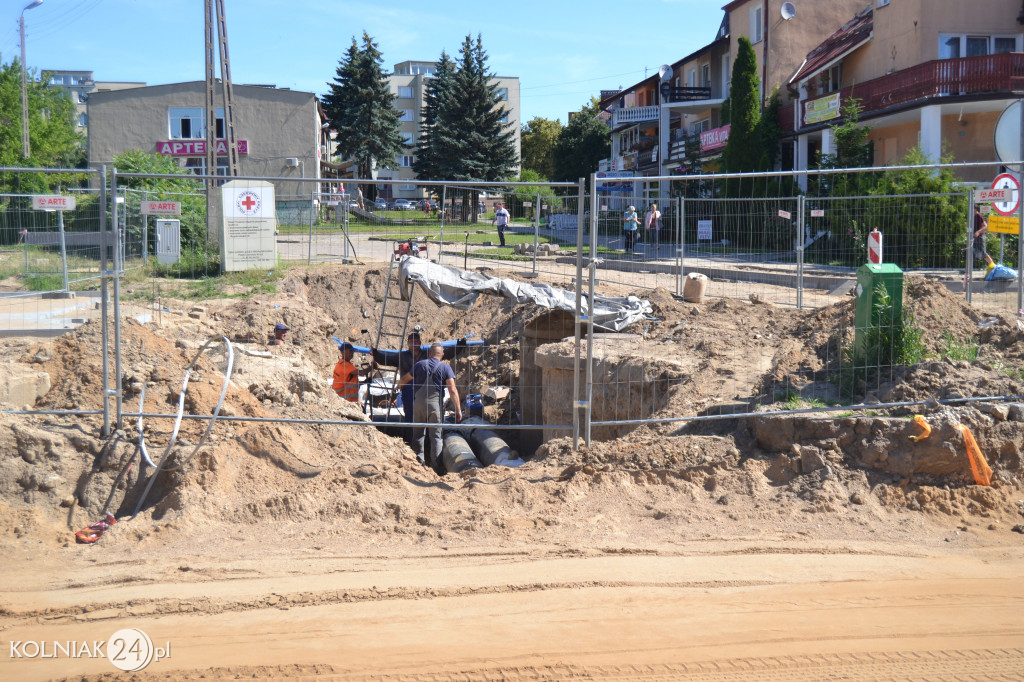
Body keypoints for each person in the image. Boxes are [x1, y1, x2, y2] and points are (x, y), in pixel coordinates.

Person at [372, 331, 459, 430]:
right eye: (411, 341)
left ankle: (428, 438)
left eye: (416, 341)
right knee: (410, 415)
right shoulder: (402, 356)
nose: (414, 343)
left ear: (420, 342)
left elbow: (444, 354)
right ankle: (410, 436)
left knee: (430, 415)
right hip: (408, 390)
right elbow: (386, 359)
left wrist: (459, 347)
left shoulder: (427, 355)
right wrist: (376, 354)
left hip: (425, 390)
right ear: (408, 343)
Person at [397, 342, 462, 467]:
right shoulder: (445, 367)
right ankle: (436, 466)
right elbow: (452, 390)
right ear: (442, 354)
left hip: (418, 406)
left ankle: (418, 462)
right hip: (435, 407)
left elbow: (406, 378)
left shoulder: (419, 365)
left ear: (430, 353)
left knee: (418, 435)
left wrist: (399, 386)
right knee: (436, 437)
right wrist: (458, 410)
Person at [972, 208, 996, 272]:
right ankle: (968, 269)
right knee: (970, 252)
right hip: (974, 237)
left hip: (980, 237)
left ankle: (994, 267)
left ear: (975, 209)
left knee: (983, 253)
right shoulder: (972, 216)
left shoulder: (978, 216)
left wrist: (978, 232)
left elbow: (986, 226)